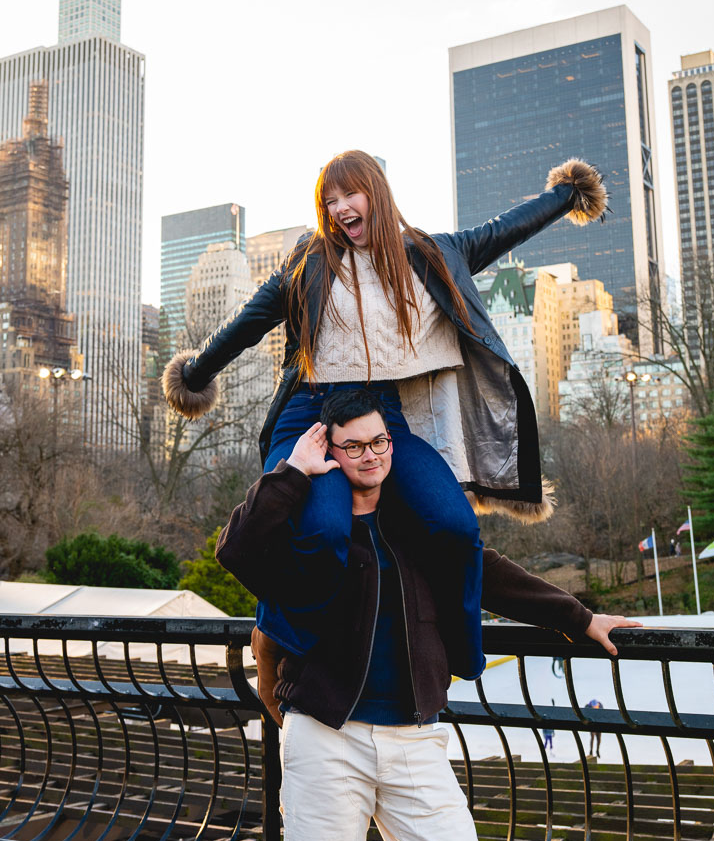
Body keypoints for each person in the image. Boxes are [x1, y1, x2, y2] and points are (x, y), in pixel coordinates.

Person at [163, 150, 608, 652]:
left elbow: (504, 228)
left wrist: (568, 193)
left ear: (376, 192)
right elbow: (245, 325)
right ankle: (297, 646)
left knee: (454, 526)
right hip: (312, 415)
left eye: (349, 194)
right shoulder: (309, 265)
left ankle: (461, 646)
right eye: (328, 201)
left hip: (383, 418)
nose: (339, 209)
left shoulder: (433, 256)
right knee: (326, 531)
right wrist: (194, 375)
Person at [216, 388, 641, 841]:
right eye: (353, 446)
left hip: (414, 739)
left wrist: (578, 617)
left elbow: (486, 572)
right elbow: (237, 550)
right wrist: (292, 472)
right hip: (326, 736)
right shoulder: (308, 532)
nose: (369, 455)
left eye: (379, 442)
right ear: (331, 450)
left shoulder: (416, 523)